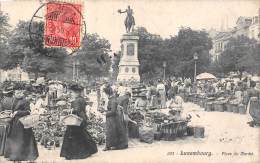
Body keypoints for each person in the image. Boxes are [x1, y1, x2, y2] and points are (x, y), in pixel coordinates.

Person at [60, 84, 97, 160]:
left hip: (76, 119)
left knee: (73, 135)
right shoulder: (82, 99)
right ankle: (88, 150)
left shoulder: (77, 100)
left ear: (77, 92)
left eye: (72, 93)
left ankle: (74, 154)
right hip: (82, 118)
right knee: (82, 134)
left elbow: (76, 110)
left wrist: (68, 110)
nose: (71, 94)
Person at [4, 84, 39, 161]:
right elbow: (12, 109)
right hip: (14, 123)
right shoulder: (14, 99)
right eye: (16, 92)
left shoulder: (25, 101)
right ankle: (15, 156)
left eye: (19, 92)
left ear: (21, 92)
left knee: (23, 140)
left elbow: (28, 112)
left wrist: (17, 112)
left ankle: (25, 156)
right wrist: (11, 113)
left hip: (23, 123)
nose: (17, 94)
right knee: (14, 140)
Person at [103, 86, 128, 151]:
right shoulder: (112, 99)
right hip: (112, 118)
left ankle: (108, 146)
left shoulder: (113, 100)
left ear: (107, 94)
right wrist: (104, 110)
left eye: (104, 94)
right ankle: (111, 145)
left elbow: (113, 111)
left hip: (113, 118)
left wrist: (105, 113)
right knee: (112, 132)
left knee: (110, 132)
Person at [0, 85, 14, 156]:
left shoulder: (3, 100)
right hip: (12, 118)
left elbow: (1, 111)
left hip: (3, 118)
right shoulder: (14, 100)